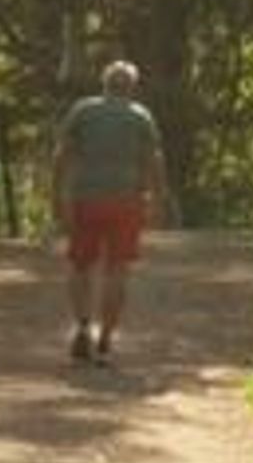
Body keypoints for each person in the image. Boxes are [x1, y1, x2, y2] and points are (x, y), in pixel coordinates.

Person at [53, 56, 171, 362]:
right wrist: (158, 198)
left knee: (80, 267)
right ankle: (105, 337)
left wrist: (57, 195)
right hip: (126, 201)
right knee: (117, 270)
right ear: (131, 88)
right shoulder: (140, 116)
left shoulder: (83, 111)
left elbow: (62, 155)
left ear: (104, 84)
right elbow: (154, 161)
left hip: (87, 199)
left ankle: (82, 326)